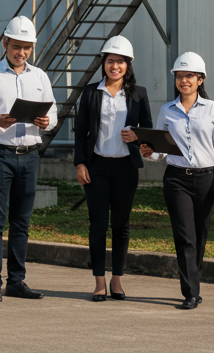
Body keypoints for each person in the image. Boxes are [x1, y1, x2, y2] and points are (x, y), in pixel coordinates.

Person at [0, 15, 58, 303]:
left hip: (29, 157)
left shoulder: (40, 76)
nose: (22, 53)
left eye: (27, 48)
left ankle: (16, 281)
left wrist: (46, 122)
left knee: (21, 222)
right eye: (17, 46)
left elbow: (53, 115)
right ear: (5, 43)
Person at [139, 51, 214, 310]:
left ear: (200, 79)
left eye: (189, 76)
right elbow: (161, 149)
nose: (184, 81)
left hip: (206, 179)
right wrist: (149, 153)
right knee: (185, 236)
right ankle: (190, 292)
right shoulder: (166, 111)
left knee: (200, 236)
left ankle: (194, 279)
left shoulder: (213, 109)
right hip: (177, 180)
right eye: (180, 76)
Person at [73, 35, 152, 302]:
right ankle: (98, 282)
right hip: (97, 167)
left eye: (120, 62)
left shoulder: (139, 94)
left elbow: (148, 132)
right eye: (110, 61)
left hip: (126, 168)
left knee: (121, 225)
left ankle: (116, 280)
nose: (114, 66)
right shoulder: (91, 92)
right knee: (97, 225)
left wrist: (137, 138)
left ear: (128, 65)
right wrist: (80, 163)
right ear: (103, 64)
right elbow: (80, 131)